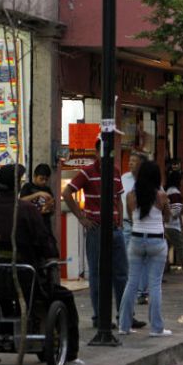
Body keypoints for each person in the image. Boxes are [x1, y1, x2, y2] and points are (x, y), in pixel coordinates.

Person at [0, 164, 84, 365]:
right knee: (64, 297)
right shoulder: (27, 211)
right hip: (29, 280)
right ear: (17, 186)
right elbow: (46, 245)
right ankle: (69, 352)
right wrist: (50, 255)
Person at [62, 139, 146, 330]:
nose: (109, 154)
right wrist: (82, 218)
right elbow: (67, 193)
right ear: (96, 151)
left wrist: (119, 218)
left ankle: (125, 316)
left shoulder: (115, 172)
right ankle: (99, 318)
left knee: (121, 274)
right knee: (97, 275)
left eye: (112, 150)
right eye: (105, 150)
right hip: (96, 230)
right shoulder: (87, 172)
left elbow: (119, 198)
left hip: (115, 230)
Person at [118, 161, 173, 336]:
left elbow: (132, 218)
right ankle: (156, 328)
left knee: (131, 283)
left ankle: (124, 326)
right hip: (156, 241)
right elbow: (168, 217)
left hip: (136, 239)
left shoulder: (131, 196)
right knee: (155, 285)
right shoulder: (161, 196)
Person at [120, 152, 150, 305]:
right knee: (126, 257)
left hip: (143, 223)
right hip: (125, 223)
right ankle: (130, 289)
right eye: (130, 160)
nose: (130, 163)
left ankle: (141, 291)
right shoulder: (123, 178)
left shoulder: (149, 180)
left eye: (134, 161)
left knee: (142, 258)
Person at [19, 163, 56, 244]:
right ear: (35, 176)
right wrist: (37, 194)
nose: (44, 182)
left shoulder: (48, 189)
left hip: (44, 225)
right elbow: (21, 201)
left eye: (46, 179)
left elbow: (52, 210)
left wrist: (50, 207)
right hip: (30, 226)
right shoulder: (27, 187)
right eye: (41, 179)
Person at [164, 170, 183, 273]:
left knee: (166, 248)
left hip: (166, 225)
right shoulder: (175, 193)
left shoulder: (168, 191)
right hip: (173, 226)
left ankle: (165, 269)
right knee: (180, 248)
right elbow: (175, 212)